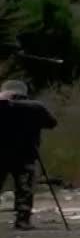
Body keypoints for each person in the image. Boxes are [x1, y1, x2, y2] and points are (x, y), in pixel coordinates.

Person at [0, 80, 57, 230]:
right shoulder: (35, 107)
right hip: (26, 153)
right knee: (24, 188)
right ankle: (22, 219)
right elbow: (51, 123)